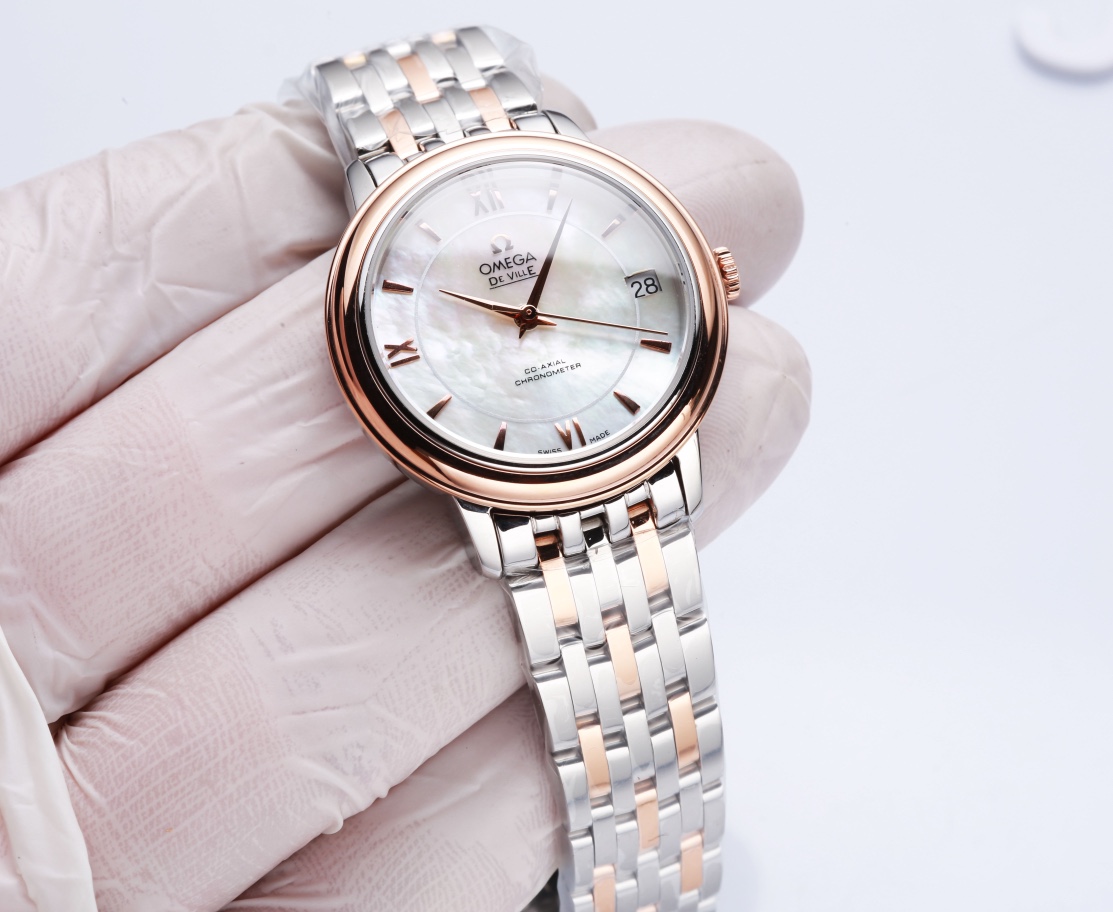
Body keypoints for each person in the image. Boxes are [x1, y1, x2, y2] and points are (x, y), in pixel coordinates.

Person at [0, 65, 810, 911]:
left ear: (710, 275)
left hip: (612, 437)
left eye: (532, 310)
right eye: (516, 312)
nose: (526, 320)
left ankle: (648, 853)